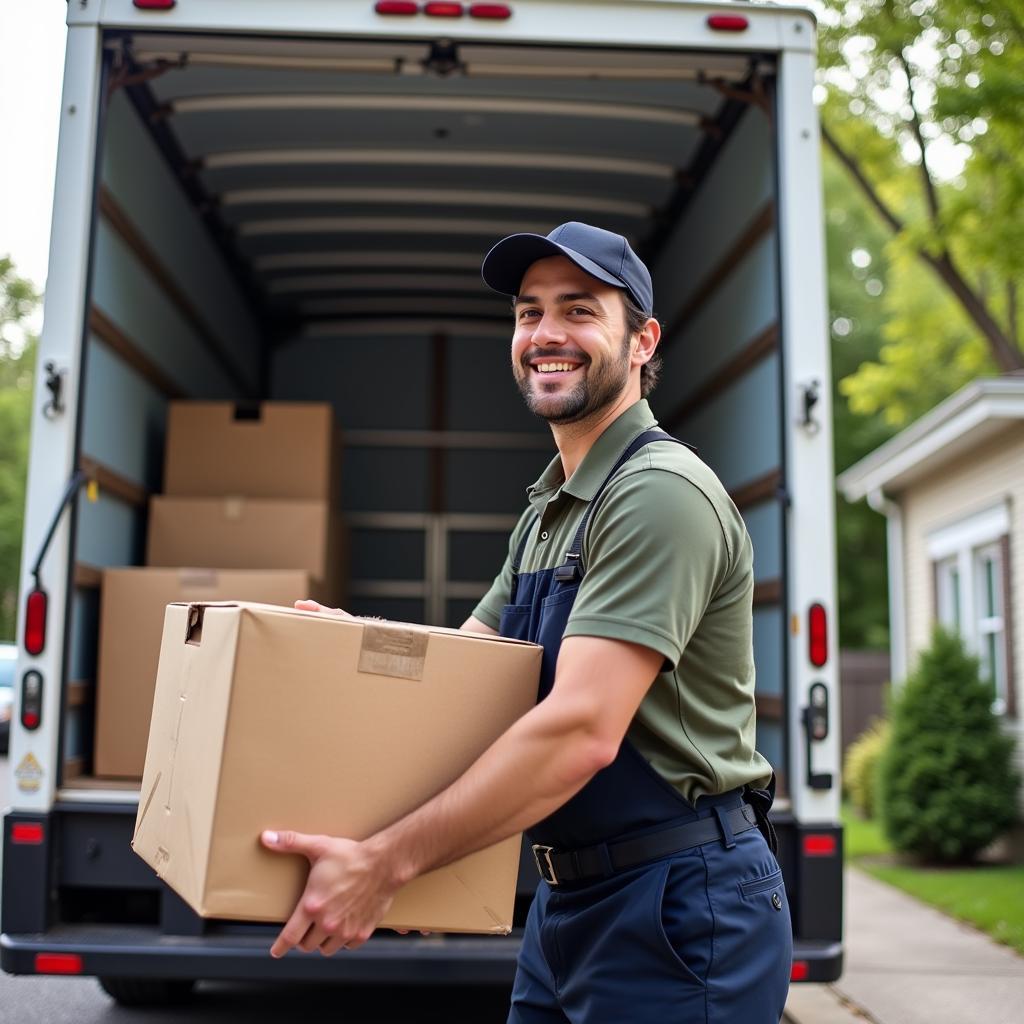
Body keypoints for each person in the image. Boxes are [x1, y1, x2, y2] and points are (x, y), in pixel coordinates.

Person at [261, 222, 793, 1023]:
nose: (545, 334)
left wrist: (389, 863)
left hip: (681, 907)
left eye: (579, 311)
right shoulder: (551, 507)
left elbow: (581, 728)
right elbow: (467, 673)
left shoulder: (657, 494)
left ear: (642, 341)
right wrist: (350, 642)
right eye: (528, 312)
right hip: (571, 901)